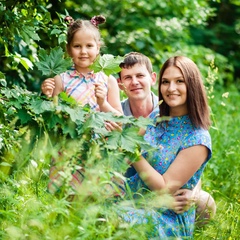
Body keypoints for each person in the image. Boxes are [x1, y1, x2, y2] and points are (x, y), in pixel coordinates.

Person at [117, 55, 214, 238]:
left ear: (192, 86)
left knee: (110, 221)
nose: (171, 88)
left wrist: (134, 153)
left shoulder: (197, 138)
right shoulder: (155, 116)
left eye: (179, 81)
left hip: (166, 216)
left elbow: (164, 187)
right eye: (166, 82)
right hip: (134, 199)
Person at [40, 15, 123, 195]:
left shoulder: (108, 80)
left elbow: (119, 122)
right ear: (69, 50)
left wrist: (103, 102)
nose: (83, 51)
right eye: (77, 46)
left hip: (100, 149)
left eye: (89, 46)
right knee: (68, 196)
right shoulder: (61, 79)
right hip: (69, 149)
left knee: (97, 201)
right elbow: (54, 119)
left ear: (98, 47)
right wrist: (48, 97)